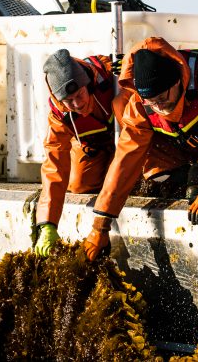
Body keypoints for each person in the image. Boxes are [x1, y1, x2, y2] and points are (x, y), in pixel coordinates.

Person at [82, 37, 198, 260]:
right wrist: (99, 227)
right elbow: (125, 160)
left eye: (162, 98)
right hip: (180, 151)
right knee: (127, 123)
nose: (158, 106)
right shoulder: (140, 104)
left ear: (178, 82)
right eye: (150, 102)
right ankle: (180, 177)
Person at [33, 49, 127, 257]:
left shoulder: (111, 76)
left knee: (130, 173)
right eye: (69, 101)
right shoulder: (60, 116)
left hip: (126, 140)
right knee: (77, 184)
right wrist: (47, 224)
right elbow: (53, 165)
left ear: (88, 85)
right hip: (94, 145)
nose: (77, 104)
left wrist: (130, 68)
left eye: (80, 95)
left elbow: (149, 61)